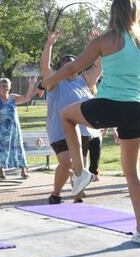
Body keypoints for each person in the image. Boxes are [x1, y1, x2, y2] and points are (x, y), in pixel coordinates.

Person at [43, 0, 140, 246]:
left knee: (67, 115)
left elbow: (72, 69)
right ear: (135, 14)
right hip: (136, 109)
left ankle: (81, 173)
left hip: (110, 105)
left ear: (113, 13)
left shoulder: (104, 40)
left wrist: (50, 81)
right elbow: (118, 63)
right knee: (132, 172)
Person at [40, 30, 102, 204]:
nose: (69, 66)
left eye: (72, 63)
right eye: (65, 63)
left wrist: (97, 43)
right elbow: (45, 68)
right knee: (67, 162)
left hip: (81, 131)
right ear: (61, 68)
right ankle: (56, 194)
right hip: (59, 131)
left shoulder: (84, 81)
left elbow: (98, 67)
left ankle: (78, 198)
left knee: (79, 166)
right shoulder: (55, 83)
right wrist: (49, 44)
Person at [0, 77, 39, 179]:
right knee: (2, 150)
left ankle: (23, 170)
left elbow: (26, 98)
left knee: (18, 148)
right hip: (3, 131)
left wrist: (31, 85)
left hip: (14, 129)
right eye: (3, 86)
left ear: (10, 87)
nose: (5, 88)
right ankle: (1, 170)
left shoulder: (13, 98)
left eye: (7, 86)